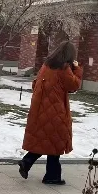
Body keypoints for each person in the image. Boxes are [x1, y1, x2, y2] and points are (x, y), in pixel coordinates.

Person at [19, 41, 83, 185]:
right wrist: (77, 69)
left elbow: (35, 84)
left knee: (46, 139)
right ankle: (51, 176)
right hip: (55, 112)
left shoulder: (46, 65)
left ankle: (28, 162)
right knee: (55, 142)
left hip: (40, 109)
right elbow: (73, 86)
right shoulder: (64, 68)